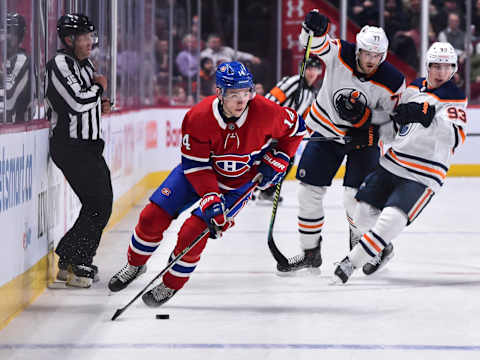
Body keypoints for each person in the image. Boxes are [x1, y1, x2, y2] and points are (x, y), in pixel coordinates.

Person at [108, 61, 306, 307]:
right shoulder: (198, 117)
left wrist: (281, 158)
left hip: (238, 185)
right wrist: (211, 197)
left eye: (246, 93)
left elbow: (297, 129)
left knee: (192, 234)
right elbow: (196, 167)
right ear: (220, 93)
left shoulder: (266, 112)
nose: (242, 101)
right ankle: (135, 265)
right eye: (234, 95)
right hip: (197, 174)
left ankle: (170, 284)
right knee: (151, 216)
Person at [277, 9, 405, 274]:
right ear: (357, 50)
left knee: (355, 201)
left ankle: (377, 248)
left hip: (363, 139)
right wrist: (310, 27)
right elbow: (312, 43)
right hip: (325, 132)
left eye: (377, 56)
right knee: (308, 192)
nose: (371, 61)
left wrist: (372, 129)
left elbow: (395, 121)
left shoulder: (393, 81)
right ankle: (310, 253)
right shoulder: (339, 52)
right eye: (367, 54)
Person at [332, 42, 467, 284]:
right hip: (392, 162)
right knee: (361, 214)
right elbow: (397, 127)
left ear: (454, 70)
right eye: (435, 66)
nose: (440, 72)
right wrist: (370, 133)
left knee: (391, 218)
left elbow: (455, 138)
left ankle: (350, 262)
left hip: (423, 174)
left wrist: (431, 119)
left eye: (446, 67)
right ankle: (383, 248)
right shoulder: (413, 88)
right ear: (427, 66)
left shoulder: (454, 98)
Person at [45, 13, 112, 288]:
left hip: (88, 146)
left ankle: (71, 258)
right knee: (99, 203)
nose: (89, 42)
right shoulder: (59, 64)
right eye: (84, 37)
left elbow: (87, 101)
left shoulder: (85, 64)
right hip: (71, 147)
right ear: (69, 39)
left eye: (90, 36)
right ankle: (75, 256)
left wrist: (102, 102)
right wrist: (98, 88)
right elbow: (75, 101)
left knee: (100, 202)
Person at [257, 56, 323, 203]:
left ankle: (266, 190)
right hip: (271, 126)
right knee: (262, 157)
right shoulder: (294, 82)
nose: (311, 72)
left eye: (315, 69)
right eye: (308, 68)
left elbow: (306, 116)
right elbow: (271, 99)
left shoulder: (312, 92)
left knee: (287, 160)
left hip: (286, 132)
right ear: (302, 69)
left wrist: (311, 131)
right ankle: (254, 189)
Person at [1, 13, 31, 123]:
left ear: (20, 36)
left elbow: (7, 102)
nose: (6, 37)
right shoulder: (8, 61)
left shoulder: (21, 60)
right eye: (3, 32)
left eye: (11, 32)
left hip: (18, 131)